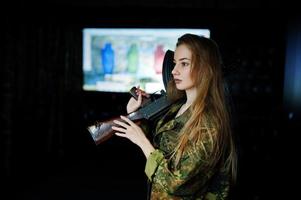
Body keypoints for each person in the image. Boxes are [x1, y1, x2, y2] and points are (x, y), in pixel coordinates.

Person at [112, 33, 237, 199]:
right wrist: (136, 114)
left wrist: (141, 141)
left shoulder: (209, 124)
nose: (174, 71)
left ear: (205, 69)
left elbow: (175, 183)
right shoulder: (178, 106)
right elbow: (161, 143)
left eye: (184, 64)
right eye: (175, 63)